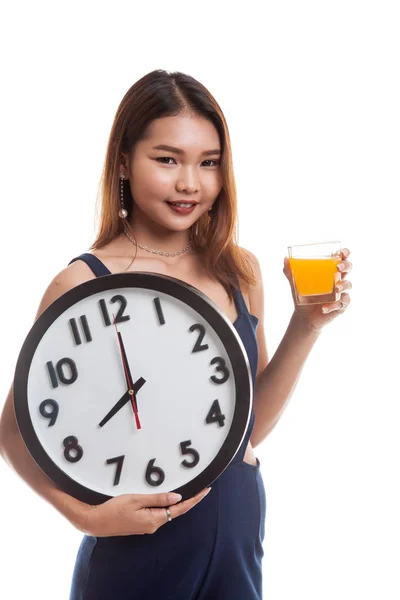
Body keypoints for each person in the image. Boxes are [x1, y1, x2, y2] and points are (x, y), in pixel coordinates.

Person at [0, 69, 352, 600]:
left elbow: (246, 428)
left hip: (236, 527)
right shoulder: (83, 282)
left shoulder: (239, 271)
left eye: (208, 162)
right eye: (167, 159)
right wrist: (85, 517)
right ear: (123, 160)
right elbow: (14, 429)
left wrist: (307, 325)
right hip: (137, 546)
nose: (191, 183)